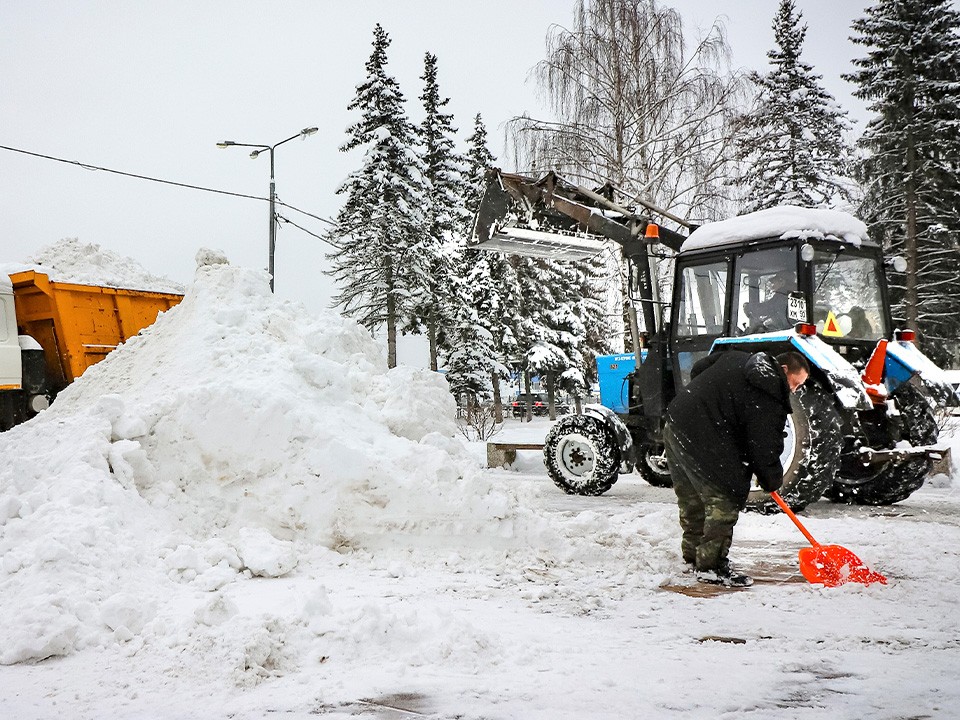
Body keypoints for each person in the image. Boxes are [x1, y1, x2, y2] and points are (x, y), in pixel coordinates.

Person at [663, 350, 810, 587]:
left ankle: (693, 556)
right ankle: (711, 567)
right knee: (724, 497)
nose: (793, 390)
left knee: (692, 497)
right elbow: (762, 444)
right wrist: (771, 479)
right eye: (796, 383)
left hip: (677, 421)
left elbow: (700, 368)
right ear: (783, 371)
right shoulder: (769, 389)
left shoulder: (738, 357)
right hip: (704, 432)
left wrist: (716, 402)